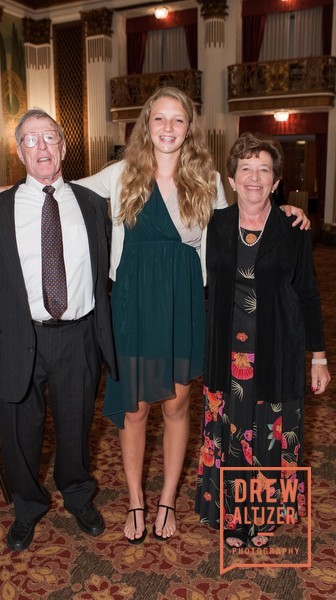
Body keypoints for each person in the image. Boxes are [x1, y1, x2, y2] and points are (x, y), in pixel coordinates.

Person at [0, 88, 310, 544]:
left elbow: (243, 216)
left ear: (189, 126)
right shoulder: (120, 174)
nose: (168, 128)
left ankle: (166, 500)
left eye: (177, 120)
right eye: (159, 119)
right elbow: (59, 191)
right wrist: (4, 192)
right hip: (132, 305)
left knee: (176, 406)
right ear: (145, 125)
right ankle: (136, 501)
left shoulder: (207, 179)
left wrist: (285, 209)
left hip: (183, 304)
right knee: (134, 411)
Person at [0, 108, 117, 552]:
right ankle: (27, 507)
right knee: (17, 433)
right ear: (18, 151)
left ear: (64, 147)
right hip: (14, 337)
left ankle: (77, 495)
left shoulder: (93, 205)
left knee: (76, 427)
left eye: (49, 138)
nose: (42, 148)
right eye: (30, 140)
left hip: (78, 337)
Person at [195, 131, 331, 549]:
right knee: (233, 433)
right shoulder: (214, 225)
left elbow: (308, 293)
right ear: (232, 180)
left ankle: (264, 514)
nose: (254, 178)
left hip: (276, 350)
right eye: (245, 169)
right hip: (226, 352)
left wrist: (319, 357)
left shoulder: (293, 228)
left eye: (264, 170)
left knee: (269, 435)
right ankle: (233, 517)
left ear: (275, 182)